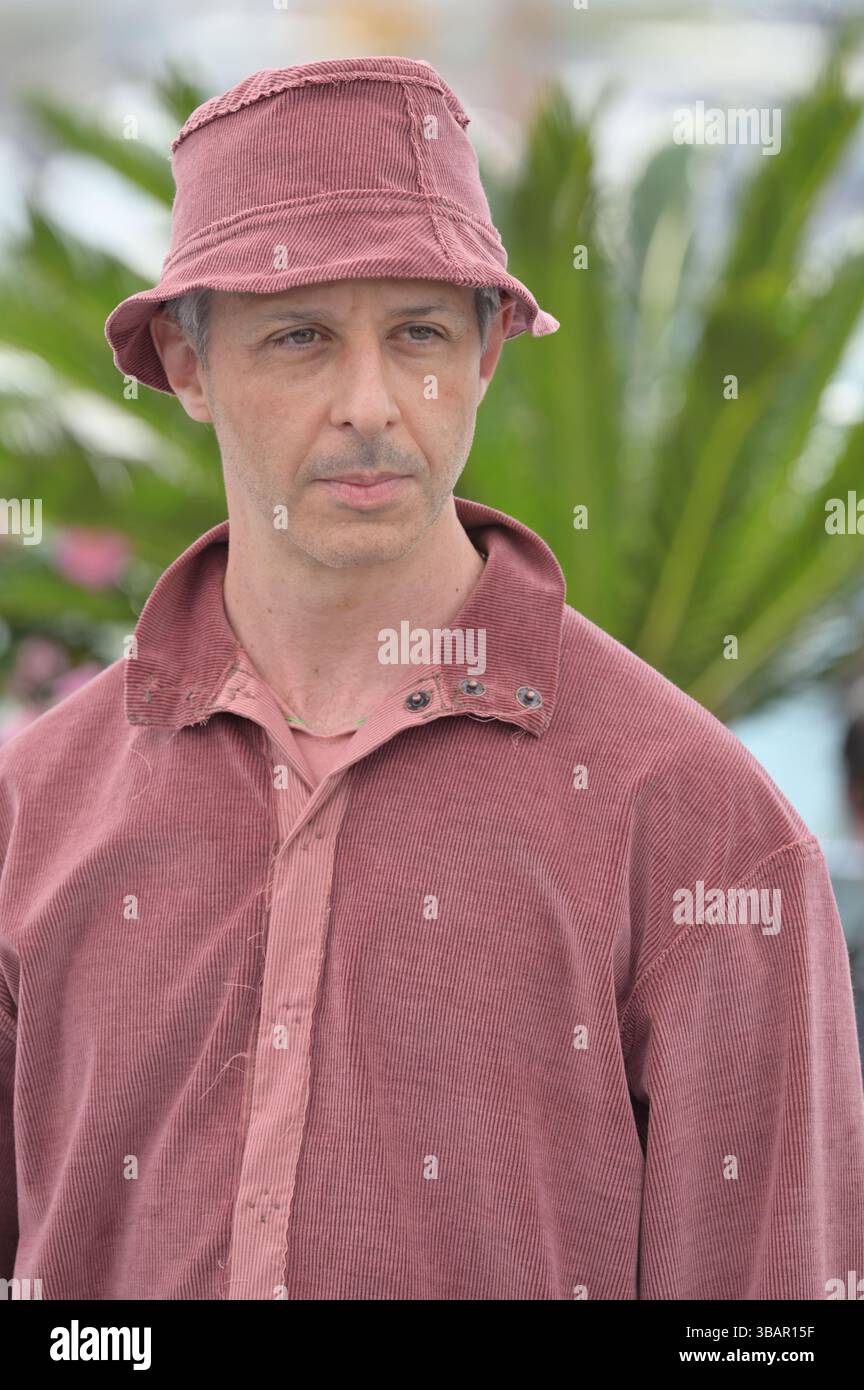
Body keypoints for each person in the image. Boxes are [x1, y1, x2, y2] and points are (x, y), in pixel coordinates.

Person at [1, 55, 862, 1302]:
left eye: (416, 333)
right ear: (187, 369)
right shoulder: (33, 815)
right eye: (299, 338)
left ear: (488, 352)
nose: (371, 404)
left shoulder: (702, 830)